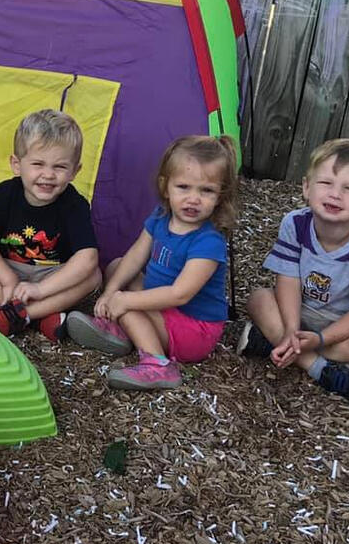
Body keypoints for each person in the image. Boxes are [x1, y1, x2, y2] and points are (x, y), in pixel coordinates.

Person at [67, 135, 238, 391]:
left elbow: (180, 294)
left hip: (194, 329)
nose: (193, 199)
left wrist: (124, 300)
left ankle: (158, 364)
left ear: (220, 197)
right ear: (165, 186)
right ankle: (125, 333)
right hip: (166, 309)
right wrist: (112, 290)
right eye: (184, 187)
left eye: (206, 191)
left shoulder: (208, 242)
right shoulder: (161, 216)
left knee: (129, 308)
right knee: (117, 267)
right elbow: (136, 255)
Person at [237, 138, 349, 407]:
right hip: (298, 311)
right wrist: (291, 328)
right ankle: (322, 369)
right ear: (307, 187)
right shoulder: (295, 223)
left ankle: (273, 342)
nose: (335, 194)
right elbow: (288, 279)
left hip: (342, 324)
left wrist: (319, 339)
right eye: (325, 183)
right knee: (258, 298)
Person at [0, 110, 101, 342]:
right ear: (17, 164)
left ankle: (17, 315)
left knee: (93, 276)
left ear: (75, 171)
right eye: (38, 164)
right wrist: (8, 280)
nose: (48, 175)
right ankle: (40, 316)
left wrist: (41, 290)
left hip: (53, 276)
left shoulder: (75, 204)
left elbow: (87, 258)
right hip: (9, 269)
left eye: (60, 167)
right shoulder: (5, 193)